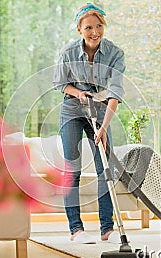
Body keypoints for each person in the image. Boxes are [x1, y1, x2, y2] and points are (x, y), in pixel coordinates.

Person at [53, 3, 125, 244]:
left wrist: (103, 127)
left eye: (99, 26)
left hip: (101, 110)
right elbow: (60, 84)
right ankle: (76, 230)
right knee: (71, 170)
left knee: (105, 168)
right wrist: (78, 93)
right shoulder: (68, 52)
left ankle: (108, 229)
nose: (95, 32)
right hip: (72, 109)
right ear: (79, 30)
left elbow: (115, 93)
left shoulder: (115, 54)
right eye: (89, 28)